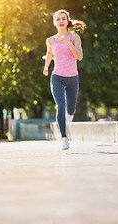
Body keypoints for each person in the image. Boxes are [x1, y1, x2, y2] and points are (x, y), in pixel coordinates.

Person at [43, 9, 86, 150]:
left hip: (73, 78)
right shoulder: (50, 40)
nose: (61, 21)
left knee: (71, 109)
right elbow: (49, 53)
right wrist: (46, 67)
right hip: (57, 77)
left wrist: (68, 43)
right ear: (54, 22)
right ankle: (64, 138)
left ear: (67, 21)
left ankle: (70, 113)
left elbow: (79, 57)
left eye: (63, 18)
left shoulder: (75, 38)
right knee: (60, 105)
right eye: (58, 19)